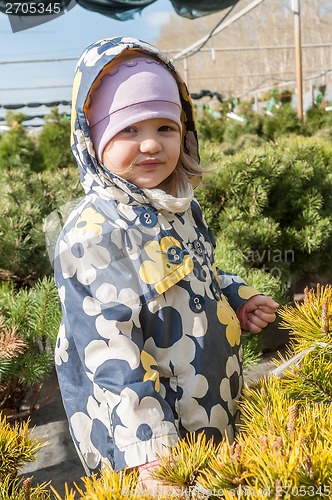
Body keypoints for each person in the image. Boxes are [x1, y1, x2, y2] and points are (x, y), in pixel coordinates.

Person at [54, 36, 279, 495]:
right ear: (92, 139)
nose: (151, 144)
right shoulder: (94, 233)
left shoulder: (176, 207)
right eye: (130, 131)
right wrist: (150, 451)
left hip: (208, 398)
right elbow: (110, 351)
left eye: (166, 127)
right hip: (149, 435)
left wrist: (236, 297)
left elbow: (202, 271)